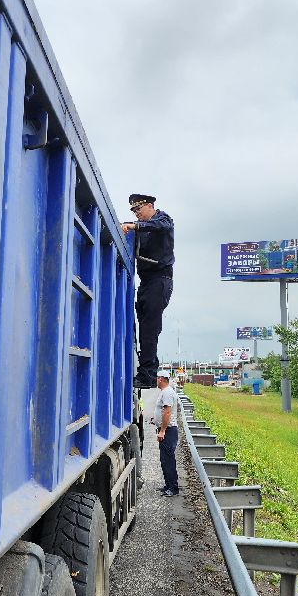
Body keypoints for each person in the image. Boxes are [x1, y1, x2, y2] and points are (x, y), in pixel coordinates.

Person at [121, 194, 174, 389]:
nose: (136, 214)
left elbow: (161, 226)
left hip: (159, 281)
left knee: (150, 331)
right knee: (144, 331)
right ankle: (146, 372)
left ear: (150, 205)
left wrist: (134, 226)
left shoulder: (163, 220)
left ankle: (148, 376)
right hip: (146, 283)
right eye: (134, 211)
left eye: (138, 209)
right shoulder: (141, 227)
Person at [153, 369, 179, 497]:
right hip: (166, 430)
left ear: (161, 379)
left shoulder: (167, 393)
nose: (156, 380)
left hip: (168, 431)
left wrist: (162, 430)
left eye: (157, 378)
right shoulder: (165, 392)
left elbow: (167, 412)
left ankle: (173, 488)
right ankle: (168, 485)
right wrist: (156, 421)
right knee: (164, 460)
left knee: (168, 460)